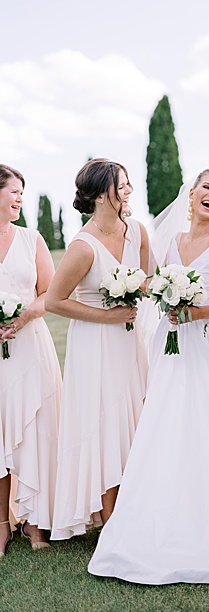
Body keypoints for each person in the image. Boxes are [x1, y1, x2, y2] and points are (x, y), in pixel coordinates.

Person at [88, 169, 209, 584]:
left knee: (203, 423)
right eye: (207, 187)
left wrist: (194, 312)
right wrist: (161, 296)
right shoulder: (171, 240)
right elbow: (156, 285)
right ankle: (156, 511)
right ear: (190, 194)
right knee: (163, 422)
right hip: (169, 343)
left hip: (204, 346)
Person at [45, 159, 150, 540]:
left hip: (129, 339)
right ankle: (111, 525)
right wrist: (107, 316)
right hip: (95, 343)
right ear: (102, 195)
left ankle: (139, 510)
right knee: (105, 424)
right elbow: (55, 301)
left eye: (128, 184)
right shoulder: (82, 246)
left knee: (135, 419)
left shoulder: (137, 231)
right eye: (121, 186)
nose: (128, 191)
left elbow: (147, 279)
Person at [0, 164, 58, 553]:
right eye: (14, 191)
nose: (20, 198)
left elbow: (50, 294)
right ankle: (2, 524)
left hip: (31, 346)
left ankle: (36, 524)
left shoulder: (31, 239)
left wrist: (21, 318)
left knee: (34, 431)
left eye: (23, 192)